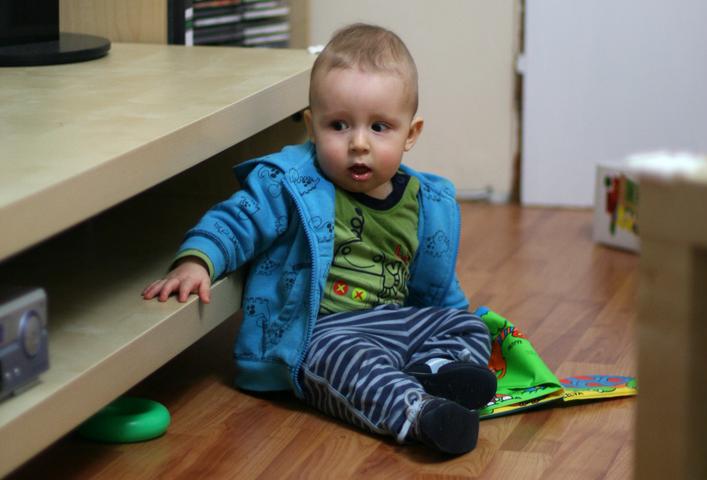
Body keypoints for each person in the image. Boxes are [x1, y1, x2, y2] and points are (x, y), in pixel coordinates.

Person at [143, 23, 496, 455]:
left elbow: (440, 287)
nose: (359, 143)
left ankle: (433, 370)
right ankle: (420, 414)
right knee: (349, 362)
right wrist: (198, 260)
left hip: (395, 322)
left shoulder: (425, 203)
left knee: (468, 325)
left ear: (411, 134)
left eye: (379, 127)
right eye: (339, 125)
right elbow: (237, 220)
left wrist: (453, 323)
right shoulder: (292, 184)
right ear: (312, 127)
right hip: (320, 333)